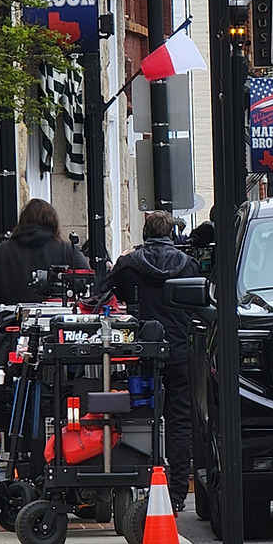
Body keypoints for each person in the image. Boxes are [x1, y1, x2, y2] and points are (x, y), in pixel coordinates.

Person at [105, 210, 200, 510]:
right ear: (171, 234)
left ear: (145, 234)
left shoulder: (129, 265)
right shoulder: (187, 264)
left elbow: (106, 292)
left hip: (142, 350)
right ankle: (177, 492)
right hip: (178, 350)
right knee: (180, 420)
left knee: (139, 417)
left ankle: (141, 483)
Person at [0, 199, 89, 322]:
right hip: (59, 324)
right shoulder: (67, 250)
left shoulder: (2, 251)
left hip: (13, 324)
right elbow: (88, 280)